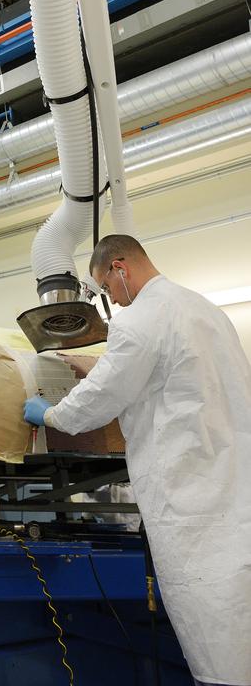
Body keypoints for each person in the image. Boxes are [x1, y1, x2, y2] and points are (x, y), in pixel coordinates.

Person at [24, 235, 251, 686]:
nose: (110, 299)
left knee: (211, 617)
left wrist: (51, 414)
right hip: (232, 477)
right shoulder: (205, 310)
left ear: (119, 269)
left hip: (188, 490)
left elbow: (103, 398)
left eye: (105, 288)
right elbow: (164, 374)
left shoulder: (139, 318)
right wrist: (103, 369)